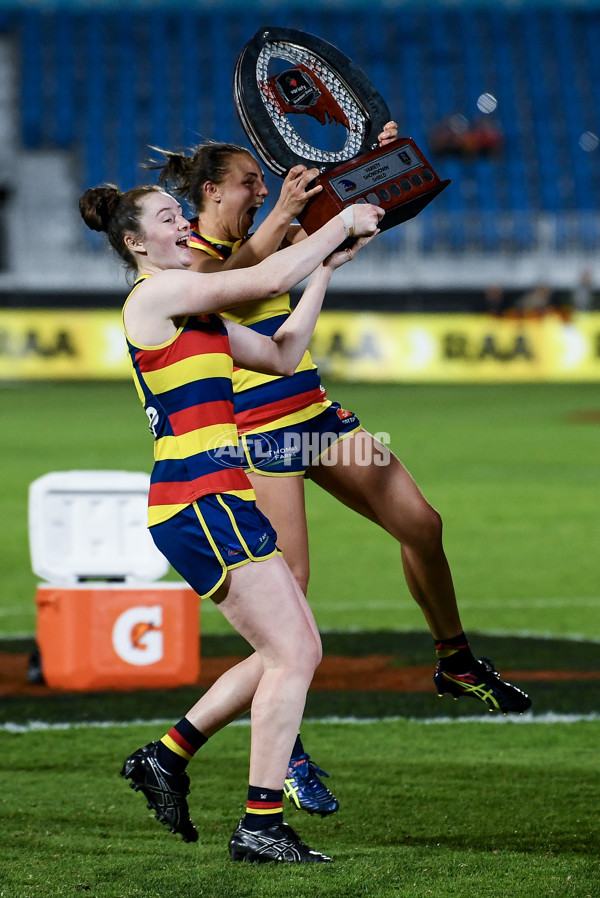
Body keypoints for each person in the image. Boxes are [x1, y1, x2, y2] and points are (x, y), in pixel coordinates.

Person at [149, 128, 532, 802]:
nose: (263, 191)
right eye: (251, 184)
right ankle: (285, 754)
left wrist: (376, 160)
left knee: (423, 523)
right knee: (288, 605)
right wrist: (285, 220)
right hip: (263, 438)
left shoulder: (264, 233)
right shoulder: (189, 262)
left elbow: (343, 223)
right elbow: (236, 279)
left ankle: (456, 661)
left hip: (317, 416)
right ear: (212, 193)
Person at [79, 182, 383, 862]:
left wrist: (324, 273)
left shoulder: (199, 316)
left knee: (293, 644)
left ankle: (168, 760)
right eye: (167, 217)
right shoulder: (152, 297)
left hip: (217, 500)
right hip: (197, 501)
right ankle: (259, 825)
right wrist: (340, 226)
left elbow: (280, 354)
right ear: (136, 244)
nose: (183, 222)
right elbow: (268, 273)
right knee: (295, 653)